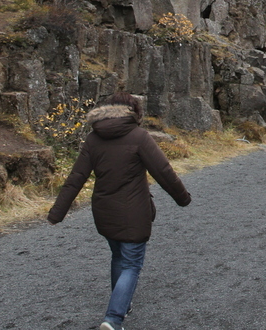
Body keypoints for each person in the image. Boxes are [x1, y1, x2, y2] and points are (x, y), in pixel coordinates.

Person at [47, 92, 192, 330]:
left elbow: (76, 178)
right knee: (132, 264)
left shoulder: (94, 139)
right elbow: (164, 171)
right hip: (134, 212)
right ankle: (114, 319)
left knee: (118, 255)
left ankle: (122, 303)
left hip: (104, 212)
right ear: (134, 112)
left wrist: (57, 213)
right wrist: (183, 199)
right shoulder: (139, 137)